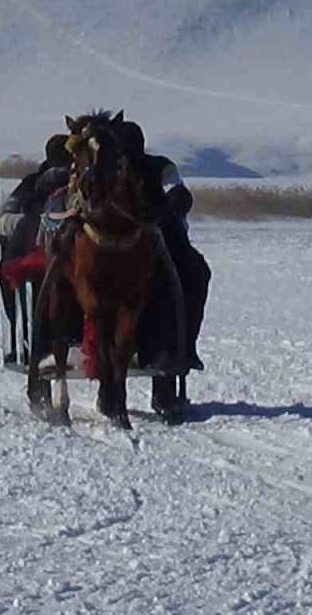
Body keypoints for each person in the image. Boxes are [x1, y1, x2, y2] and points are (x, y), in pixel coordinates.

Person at [114, 120, 212, 419]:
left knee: (196, 273)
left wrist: (164, 214)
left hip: (162, 238)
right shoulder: (107, 169)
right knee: (194, 276)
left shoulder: (160, 166)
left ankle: (181, 353)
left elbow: (178, 193)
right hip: (120, 246)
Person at [0, 135, 72, 364]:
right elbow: (6, 218)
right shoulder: (35, 183)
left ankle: (27, 336)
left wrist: (21, 225)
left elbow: (4, 219)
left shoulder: (31, 184)